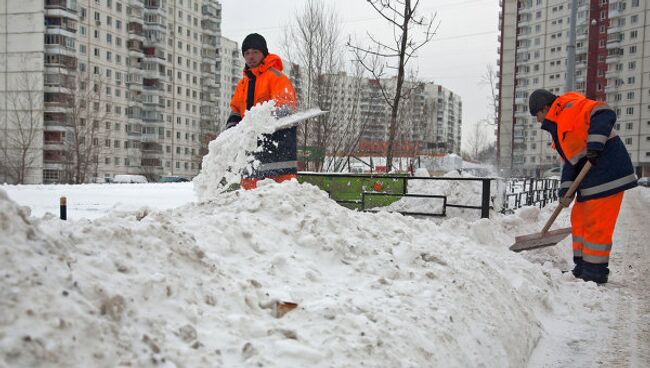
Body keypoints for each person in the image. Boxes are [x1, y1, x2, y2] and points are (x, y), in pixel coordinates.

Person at [528, 89, 637, 284]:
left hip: (607, 174)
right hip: (591, 179)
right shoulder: (560, 129)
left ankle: (595, 272)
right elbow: (571, 162)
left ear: (545, 108)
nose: (538, 121)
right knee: (579, 219)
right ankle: (582, 267)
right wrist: (565, 191)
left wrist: (595, 145)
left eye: (537, 115)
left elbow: (604, 112)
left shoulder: (570, 107)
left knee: (597, 225)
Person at [225, 33, 298, 190]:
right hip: (252, 147)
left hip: (278, 147)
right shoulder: (243, 84)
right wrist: (232, 129)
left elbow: (286, 108)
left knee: (281, 197)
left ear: (263, 53)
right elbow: (236, 110)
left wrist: (261, 122)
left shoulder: (277, 78)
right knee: (250, 195)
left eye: (255, 52)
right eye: (247, 53)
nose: (251, 57)